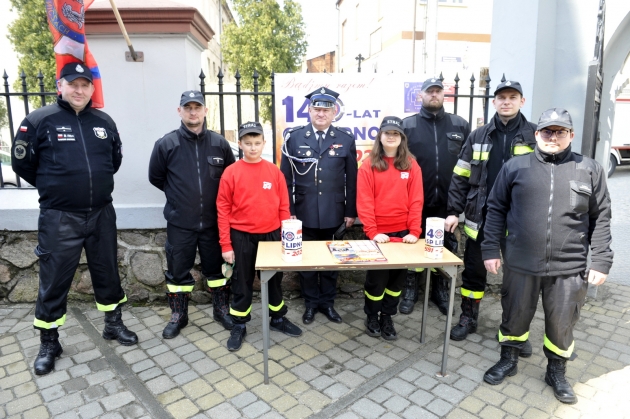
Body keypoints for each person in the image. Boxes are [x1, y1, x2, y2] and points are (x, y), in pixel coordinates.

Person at [11, 62, 137, 376]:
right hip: (59, 217)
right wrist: (58, 187)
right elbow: (23, 164)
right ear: (60, 86)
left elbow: (114, 160)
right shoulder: (39, 120)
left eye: (85, 85)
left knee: (108, 272)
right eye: (73, 84)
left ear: (92, 89)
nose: (79, 90)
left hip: (100, 214)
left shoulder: (104, 121)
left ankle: (113, 324)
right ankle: (49, 342)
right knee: (54, 281)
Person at [481, 108, 612, 404]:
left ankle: (556, 370)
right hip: (520, 262)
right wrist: (490, 249)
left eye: (560, 132)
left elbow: (601, 216)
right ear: (537, 134)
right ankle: (509, 359)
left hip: (569, 266)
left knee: (562, 322)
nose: (553, 137)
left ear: (571, 135)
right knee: (514, 314)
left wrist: (601, 260)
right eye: (547, 131)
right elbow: (495, 210)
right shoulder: (515, 167)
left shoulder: (588, 168)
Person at [445, 80, 538, 346]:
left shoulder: (535, 135)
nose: (506, 102)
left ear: (522, 101)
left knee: (519, 277)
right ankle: (468, 318)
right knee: (474, 272)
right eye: (501, 98)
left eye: (512, 97)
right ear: (494, 102)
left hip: (520, 221)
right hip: (481, 217)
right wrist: (453, 212)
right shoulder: (478, 135)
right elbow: (461, 175)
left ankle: (515, 327)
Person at [148, 90, 236, 339]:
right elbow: (156, 177)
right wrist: (178, 196)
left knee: (217, 271)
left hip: (213, 223)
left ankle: (221, 309)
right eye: (188, 108)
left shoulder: (219, 143)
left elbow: (230, 179)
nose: (193, 112)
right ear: (180, 111)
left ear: (206, 111)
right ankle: (179, 315)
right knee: (177, 272)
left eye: (198, 107)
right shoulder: (167, 144)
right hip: (180, 222)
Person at [217, 121, 302, 351]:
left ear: (264, 143)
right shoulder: (231, 173)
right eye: (248, 143)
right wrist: (226, 244)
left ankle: (278, 318)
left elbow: (284, 206)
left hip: (271, 235)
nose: (253, 147)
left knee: (274, 280)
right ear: (240, 143)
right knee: (242, 282)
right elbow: (223, 209)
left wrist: (286, 238)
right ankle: (239, 324)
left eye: (257, 143)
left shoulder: (274, 172)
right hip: (241, 236)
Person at [280, 87, 358, 325]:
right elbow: (285, 179)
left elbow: (352, 179)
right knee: (307, 262)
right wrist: (289, 211)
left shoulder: (345, 139)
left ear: (334, 112)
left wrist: (350, 211)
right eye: (317, 109)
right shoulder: (294, 138)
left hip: (334, 212)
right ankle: (311, 304)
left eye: (326, 109)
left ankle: (327, 303)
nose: (321, 114)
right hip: (302, 212)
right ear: (309, 111)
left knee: (331, 260)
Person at [399, 78, 470, 315]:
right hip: (415, 202)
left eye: (438, 91)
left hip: (448, 204)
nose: (434, 95)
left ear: (444, 95)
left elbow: (468, 165)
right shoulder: (407, 126)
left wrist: (458, 204)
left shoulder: (460, 125)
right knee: (414, 246)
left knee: (444, 248)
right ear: (421, 96)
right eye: (430, 92)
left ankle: (440, 292)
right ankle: (410, 290)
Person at [357, 117, 424, 340]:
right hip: (378, 235)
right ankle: (372, 316)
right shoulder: (369, 165)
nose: (391, 137)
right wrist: (373, 232)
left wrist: (414, 231)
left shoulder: (411, 165)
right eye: (387, 133)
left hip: (403, 235)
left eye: (396, 133)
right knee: (377, 281)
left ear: (402, 138)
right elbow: (364, 201)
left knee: (396, 282)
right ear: (380, 136)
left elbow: (416, 200)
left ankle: (387, 316)